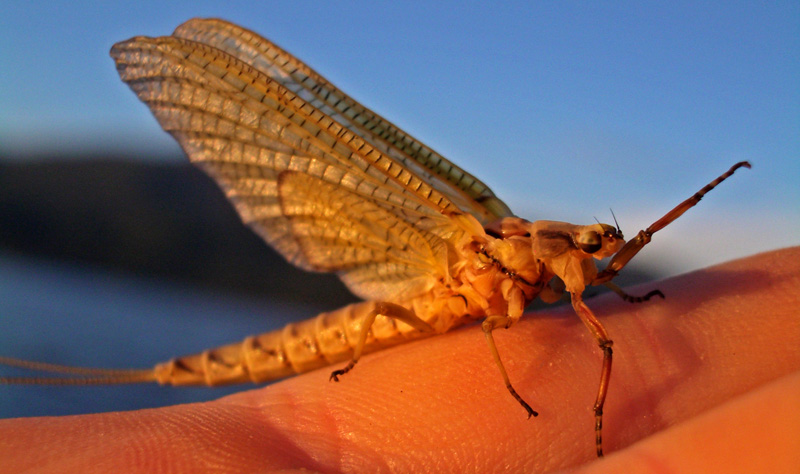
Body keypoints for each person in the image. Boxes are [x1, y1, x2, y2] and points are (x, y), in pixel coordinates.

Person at [1, 248, 798, 473]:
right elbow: (496, 332)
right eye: (593, 249)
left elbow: (587, 289)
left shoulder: (562, 276)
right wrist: (513, 391)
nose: (599, 260)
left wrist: (622, 288)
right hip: (355, 329)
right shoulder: (499, 262)